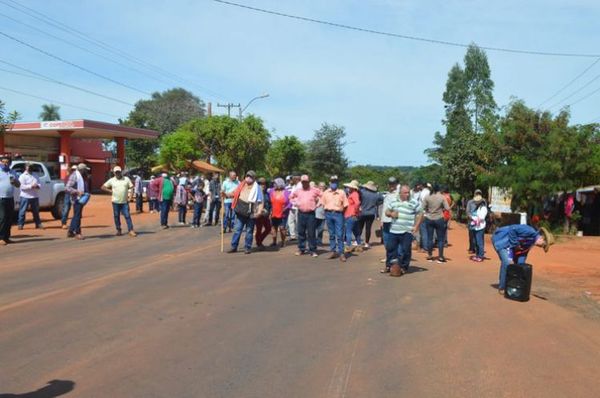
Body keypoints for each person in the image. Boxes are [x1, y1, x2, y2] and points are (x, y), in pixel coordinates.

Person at [492, 225, 554, 295]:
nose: (541, 247)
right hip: (502, 240)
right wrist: (515, 244)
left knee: (520, 266)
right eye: (543, 245)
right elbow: (513, 229)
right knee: (507, 263)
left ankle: (514, 285)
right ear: (542, 238)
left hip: (511, 246)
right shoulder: (530, 231)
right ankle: (502, 287)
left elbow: (523, 253)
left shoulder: (532, 242)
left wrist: (521, 265)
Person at [382, 184, 423, 274]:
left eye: (408, 192)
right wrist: (391, 214)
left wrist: (416, 226)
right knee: (390, 249)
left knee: (405, 250)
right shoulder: (394, 201)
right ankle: (389, 266)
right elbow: (387, 211)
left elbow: (421, 213)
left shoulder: (413, 202)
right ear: (400, 193)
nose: (407, 194)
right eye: (405, 193)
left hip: (407, 231)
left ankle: (404, 267)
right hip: (394, 230)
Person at [228, 170, 264, 254]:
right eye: (247, 176)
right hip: (240, 211)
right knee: (237, 229)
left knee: (249, 231)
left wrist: (259, 212)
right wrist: (226, 194)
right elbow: (234, 193)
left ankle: (247, 247)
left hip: (251, 212)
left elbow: (261, 201)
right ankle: (234, 246)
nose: (248, 178)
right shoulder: (242, 185)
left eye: (250, 176)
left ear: (254, 178)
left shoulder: (257, 188)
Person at [290, 174, 322, 257]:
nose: (304, 183)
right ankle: (301, 249)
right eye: (303, 182)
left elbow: (322, 196)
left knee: (311, 233)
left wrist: (318, 204)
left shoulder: (314, 190)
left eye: (306, 182)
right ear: (301, 182)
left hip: (311, 214)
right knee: (301, 232)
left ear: (308, 182)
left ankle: (313, 250)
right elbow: (291, 197)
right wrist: (295, 203)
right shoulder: (298, 190)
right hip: (301, 213)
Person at [101, 165, 137, 237]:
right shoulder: (112, 180)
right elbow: (103, 187)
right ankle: (119, 230)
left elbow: (132, 188)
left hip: (124, 202)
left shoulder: (126, 179)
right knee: (116, 216)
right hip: (115, 202)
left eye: (119, 172)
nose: (117, 173)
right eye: (116, 172)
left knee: (127, 216)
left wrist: (130, 197)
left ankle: (131, 230)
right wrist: (111, 191)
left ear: (121, 172)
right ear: (114, 173)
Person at [321, 175, 348, 261]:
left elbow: (346, 205)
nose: (334, 184)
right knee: (331, 234)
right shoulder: (325, 192)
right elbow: (323, 203)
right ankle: (333, 251)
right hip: (328, 214)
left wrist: (341, 213)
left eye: (335, 182)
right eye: (332, 182)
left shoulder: (342, 192)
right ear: (329, 182)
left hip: (338, 214)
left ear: (338, 183)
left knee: (339, 234)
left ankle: (341, 253)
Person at [422, 184, 450, 263]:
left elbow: (423, 207)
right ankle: (440, 257)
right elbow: (447, 208)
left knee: (430, 238)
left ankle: (430, 255)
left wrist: (429, 209)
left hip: (429, 218)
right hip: (439, 218)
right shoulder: (442, 197)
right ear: (438, 189)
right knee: (441, 239)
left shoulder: (427, 196)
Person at [66, 163, 91, 240]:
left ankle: (70, 231)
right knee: (77, 216)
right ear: (82, 170)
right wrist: (77, 192)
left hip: (81, 198)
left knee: (77, 215)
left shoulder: (82, 176)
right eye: (85, 170)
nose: (86, 172)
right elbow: (67, 187)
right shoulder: (74, 176)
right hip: (76, 198)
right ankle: (78, 233)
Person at [0, 153, 20, 246]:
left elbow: (18, 185)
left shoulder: (13, 172)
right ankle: (1, 238)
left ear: (10, 163)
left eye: (7, 162)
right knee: (2, 218)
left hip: (10, 198)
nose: (5, 164)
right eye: (3, 162)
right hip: (1, 198)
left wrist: (15, 181)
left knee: (9, 218)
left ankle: (7, 237)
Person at [17, 163, 44, 230]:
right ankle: (20, 224)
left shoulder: (35, 175)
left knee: (36, 212)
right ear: (25, 167)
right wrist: (31, 186)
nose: (29, 168)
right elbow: (21, 187)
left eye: (31, 166)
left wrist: (37, 186)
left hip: (34, 196)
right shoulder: (22, 176)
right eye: (28, 166)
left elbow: (39, 184)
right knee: (22, 211)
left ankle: (38, 224)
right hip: (25, 196)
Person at [358, 181, 383, 249]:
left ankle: (358, 241)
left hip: (362, 212)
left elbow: (358, 195)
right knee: (368, 228)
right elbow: (382, 199)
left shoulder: (363, 192)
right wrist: (376, 203)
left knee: (360, 227)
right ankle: (367, 243)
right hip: (371, 213)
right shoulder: (376, 195)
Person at [379, 177, 399, 263]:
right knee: (386, 240)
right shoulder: (387, 194)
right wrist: (382, 220)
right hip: (385, 220)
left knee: (393, 241)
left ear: (396, 184)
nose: (391, 185)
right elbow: (384, 209)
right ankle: (389, 256)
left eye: (393, 184)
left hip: (393, 221)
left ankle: (394, 257)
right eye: (390, 184)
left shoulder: (398, 195)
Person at [268, 177, 291, 248]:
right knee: (273, 227)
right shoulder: (271, 191)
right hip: (273, 212)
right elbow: (269, 202)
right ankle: (274, 242)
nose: (273, 185)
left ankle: (283, 242)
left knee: (282, 228)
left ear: (279, 184)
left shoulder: (287, 192)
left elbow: (291, 203)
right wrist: (270, 211)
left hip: (283, 213)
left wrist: (286, 208)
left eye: (275, 183)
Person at [344, 180, 363, 254]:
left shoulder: (354, 194)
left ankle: (348, 246)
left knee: (348, 231)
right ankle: (359, 245)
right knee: (356, 232)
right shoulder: (354, 193)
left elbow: (357, 203)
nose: (348, 187)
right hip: (354, 215)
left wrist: (355, 211)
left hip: (351, 215)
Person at [469, 191, 488, 262]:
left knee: (479, 241)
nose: (475, 203)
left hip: (480, 227)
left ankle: (481, 255)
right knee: (475, 241)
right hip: (475, 226)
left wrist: (473, 218)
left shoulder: (483, 208)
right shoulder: (477, 208)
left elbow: (481, 218)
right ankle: (477, 255)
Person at [61, 164, 77, 229]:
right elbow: (66, 187)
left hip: (75, 194)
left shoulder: (77, 177)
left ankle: (75, 223)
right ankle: (64, 223)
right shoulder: (67, 177)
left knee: (76, 209)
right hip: (68, 194)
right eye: (73, 170)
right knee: (66, 209)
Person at [286, 175, 301, 240]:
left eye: (292, 179)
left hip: (298, 206)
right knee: (290, 221)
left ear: (296, 179)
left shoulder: (300, 186)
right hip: (292, 206)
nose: (291, 180)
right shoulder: (294, 186)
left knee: (298, 222)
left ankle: (299, 235)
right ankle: (293, 236)